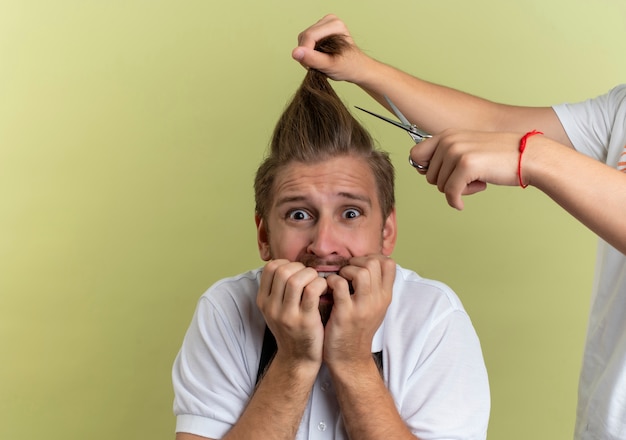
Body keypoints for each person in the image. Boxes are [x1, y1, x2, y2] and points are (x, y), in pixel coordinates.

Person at [291, 14, 626, 440]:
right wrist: (361, 69)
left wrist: (534, 157)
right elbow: (491, 126)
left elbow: (521, 144)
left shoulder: (433, 319)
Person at [172, 35, 490, 440]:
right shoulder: (226, 309)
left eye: (351, 213)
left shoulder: (432, 316)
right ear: (264, 235)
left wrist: (354, 361)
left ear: (387, 231)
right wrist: (293, 360)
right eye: (299, 214)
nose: (323, 245)